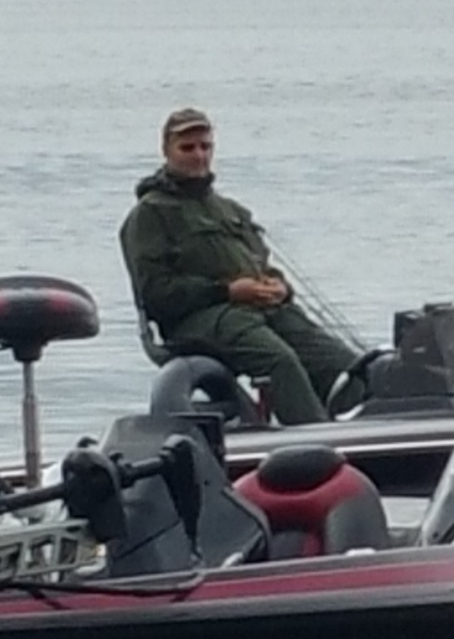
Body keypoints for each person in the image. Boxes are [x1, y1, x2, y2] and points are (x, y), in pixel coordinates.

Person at [119, 107, 359, 425]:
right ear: (167, 151)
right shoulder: (149, 215)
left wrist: (279, 287)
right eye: (187, 148)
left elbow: (262, 264)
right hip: (199, 320)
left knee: (347, 365)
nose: (199, 155)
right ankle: (316, 438)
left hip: (260, 310)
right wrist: (227, 291)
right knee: (279, 361)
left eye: (205, 146)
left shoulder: (229, 210)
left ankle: (363, 429)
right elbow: (155, 295)